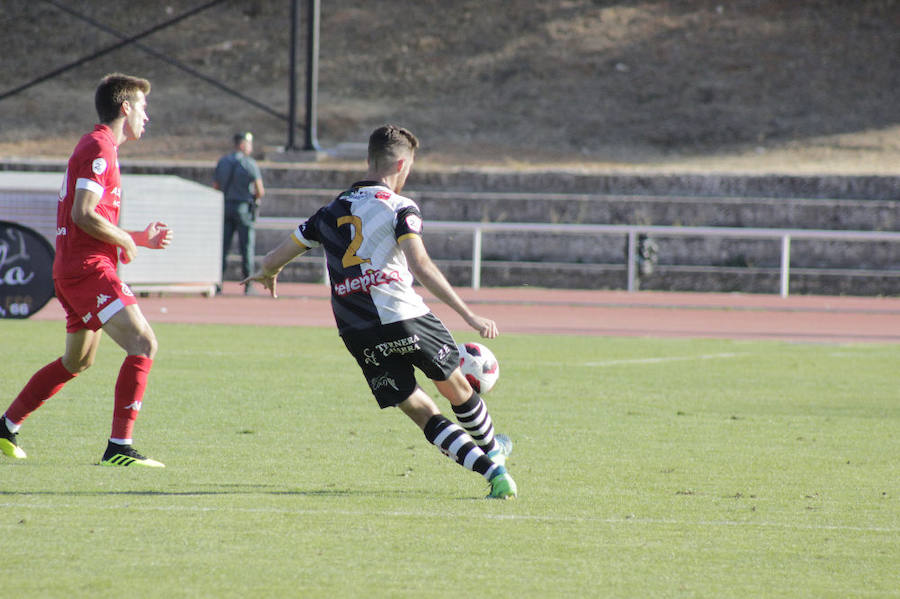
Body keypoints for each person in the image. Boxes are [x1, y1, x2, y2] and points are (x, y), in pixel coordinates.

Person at [242, 125, 517, 499]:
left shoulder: (328, 212)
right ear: (402, 164)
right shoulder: (400, 206)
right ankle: (493, 449)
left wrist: (269, 272)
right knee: (455, 387)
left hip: (357, 331)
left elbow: (273, 257)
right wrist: (469, 315)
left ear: (368, 159)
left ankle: (494, 475)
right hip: (404, 315)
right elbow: (420, 264)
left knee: (421, 411)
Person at [0, 73, 172, 467]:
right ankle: (119, 447)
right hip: (87, 271)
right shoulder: (100, 146)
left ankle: (6, 426)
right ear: (125, 107)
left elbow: (89, 222)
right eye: (143, 108)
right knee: (144, 344)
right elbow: (83, 214)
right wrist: (125, 240)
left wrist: (136, 238)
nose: (146, 117)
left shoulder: (99, 146)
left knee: (77, 361)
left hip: (75, 268)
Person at [213, 131, 265, 294]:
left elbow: (216, 186)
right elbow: (260, 190)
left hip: (225, 207)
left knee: (222, 248)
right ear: (243, 145)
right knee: (246, 248)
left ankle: (218, 282)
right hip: (243, 209)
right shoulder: (249, 163)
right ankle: (248, 285)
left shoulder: (223, 162)